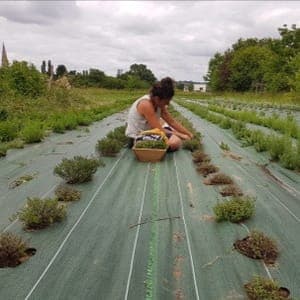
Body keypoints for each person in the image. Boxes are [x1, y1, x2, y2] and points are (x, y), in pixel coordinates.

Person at [125, 77, 194, 151]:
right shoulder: (146, 104)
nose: (168, 104)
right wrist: (182, 136)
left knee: (174, 137)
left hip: (152, 133)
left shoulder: (159, 104)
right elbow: (159, 129)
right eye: (166, 101)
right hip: (138, 136)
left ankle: (156, 148)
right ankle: (147, 148)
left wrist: (189, 134)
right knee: (175, 142)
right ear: (157, 98)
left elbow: (172, 122)